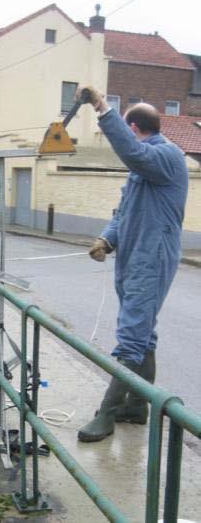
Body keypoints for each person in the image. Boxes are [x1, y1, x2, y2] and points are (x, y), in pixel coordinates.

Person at [77, 88, 189, 443]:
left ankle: (107, 414)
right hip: (132, 257)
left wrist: (102, 108)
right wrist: (107, 239)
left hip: (152, 259)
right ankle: (137, 406)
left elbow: (131, 152)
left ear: (134, 127)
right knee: (143, 333)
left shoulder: (167, 156)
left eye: (126, 130)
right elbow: (123, 212)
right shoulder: (144, 165)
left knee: (130, 338)